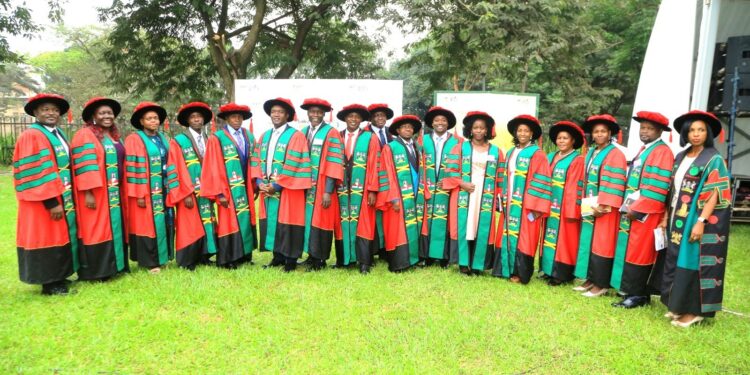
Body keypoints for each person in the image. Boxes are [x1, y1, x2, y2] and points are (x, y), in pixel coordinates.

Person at [657, 110, 731, 327]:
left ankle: (694, 311)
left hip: (696, 218)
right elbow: (674, 190)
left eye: (701, 130)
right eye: (691, 130)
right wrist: (666, 216)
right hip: (677, 216)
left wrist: (701, 222)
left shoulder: (713, 159)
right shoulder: (681, 156)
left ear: (708, 133)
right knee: (676, 258)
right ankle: (677, 306)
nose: (696, 134)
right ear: (685, 134)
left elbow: (715, 193)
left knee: (692, 262)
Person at [13, 93, 78, 295]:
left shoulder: (55, 133)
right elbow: (37, 171)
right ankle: (50, 283)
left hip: (60, 196)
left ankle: (60, 276)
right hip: (42, 200)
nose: (51, 113)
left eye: (55, 110)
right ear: (35, 112)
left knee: (59, 235)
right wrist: (51, 202)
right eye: (45, 109)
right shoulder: (32, 135)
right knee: (46, 237)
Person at [610, 111, 674, 308]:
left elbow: (658, 187)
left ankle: (637, 295)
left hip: (647, 213)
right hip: (636, 209)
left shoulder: (662, 152)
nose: (644, 131)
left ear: (660, 131)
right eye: (642, 127)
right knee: (633, 250)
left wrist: (636, 210)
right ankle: (632, 290)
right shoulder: (645, 150)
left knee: (641, 253)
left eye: (649, 128)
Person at [72, 96, 129, 280]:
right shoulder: (85, 134)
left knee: (115, 226)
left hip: (115, 191)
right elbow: (84, 164)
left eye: (110, 113)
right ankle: (98, 271)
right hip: (96, 192)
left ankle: (118, 265)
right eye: (102, 113)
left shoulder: (113, 136)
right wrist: (88, 193)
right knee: (96, 229)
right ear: (93, 116)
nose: (107, 116)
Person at [442, 111, 504, 275]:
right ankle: (463, 263)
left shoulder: (496, 151)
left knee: (480, 227)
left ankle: (478, 264)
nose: (478, 131)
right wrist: (462, 183)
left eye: (482, 128)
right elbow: (449, 171)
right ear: (470, 129)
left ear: (487, 130)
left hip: (486, 195)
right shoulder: (460, 147)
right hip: (464, 191)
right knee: (465, 226)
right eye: (475, 127)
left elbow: (500, 177)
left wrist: (498, 198)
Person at [573, 114, 628, 297]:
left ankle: (602, 283)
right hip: (591, 205)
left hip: (605, 208)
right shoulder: (591, 152)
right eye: (596, 131)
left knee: (603, 245)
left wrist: (604, 206)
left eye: (603, 131)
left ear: (610, 133)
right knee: (589, 242)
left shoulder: (616, 154)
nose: (599, 134)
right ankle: (591, 278)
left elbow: (615, 182)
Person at [493, 114, 551, 284]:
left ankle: (520, 272)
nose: (523, 133)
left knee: (525, 237)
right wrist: (502, 198)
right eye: (520, 130)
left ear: (532, 134)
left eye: (526, 131)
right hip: (510, 200)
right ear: (515, 133)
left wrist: (533, 206)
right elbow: (505, 176)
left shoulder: (538, 154)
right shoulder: (511, 152)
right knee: (506, 233)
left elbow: (542, 180)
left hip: (526, 205)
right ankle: (504, 269)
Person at [256, 98, 312, 272]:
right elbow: (256, 160)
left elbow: (294, 162)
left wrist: (278, 185)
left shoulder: (296, 136)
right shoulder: (265, 135)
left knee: (289, 224)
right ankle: (277, 256)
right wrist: (259, 181)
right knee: (273, 222)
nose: (276, 114)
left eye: (280, 112)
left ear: (287, 115)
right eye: (274, 111)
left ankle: (290, 260)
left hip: (288, 189)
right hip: (268, 188)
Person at [200, 103, 258, 269]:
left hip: (245, 187)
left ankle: (245, 255)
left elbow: (255, 160)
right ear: (226, 118)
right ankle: (228, 258)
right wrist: (218, 193)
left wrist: (255, 184)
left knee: (245, 219)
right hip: (227, 189)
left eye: (240, 116)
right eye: (233, 116)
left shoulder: (249, 136)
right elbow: (212, 167)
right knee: (228, 222)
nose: (237, 119)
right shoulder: (216, 138)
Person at [166, 102, 219, 270]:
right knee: (189, 224)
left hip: (206, 190)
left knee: (206, 221)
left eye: (199, 116)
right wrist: (186, 193)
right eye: (192, 117)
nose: (196, 119)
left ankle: (204, 255)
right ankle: (188, 260)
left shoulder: (209, 139)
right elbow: (176, 167)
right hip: (188, 191)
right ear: (187, 121)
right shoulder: (178, 141)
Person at [124, 101, 173, 273]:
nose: (153, 121)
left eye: (156, 118)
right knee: (147, 224)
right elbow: (132, 167)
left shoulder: (162, 138)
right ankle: (150, 262)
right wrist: (139, 194)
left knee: (164, 221)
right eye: (149, 118)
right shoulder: (134, 139)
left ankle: (163, 257)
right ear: (141, 121)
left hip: (163, 188)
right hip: (146, 191)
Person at [376, 115, 430, 272]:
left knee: (415, 226)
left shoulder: (418, 148)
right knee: (397, 229)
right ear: (398, 130)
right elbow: (386, 173)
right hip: (398, 195)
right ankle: (399, 263)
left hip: (415, 194)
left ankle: (414, 259)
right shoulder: (390, 147)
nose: (408, 129)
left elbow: (423, 171)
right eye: (404, 127)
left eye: (410, 127)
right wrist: (393, 197)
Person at [298, 98, 344, 270]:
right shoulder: (303, 132)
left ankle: (320, 259)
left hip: (323, 187)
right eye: (312, 112)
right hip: (306, 187)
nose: (315, 115)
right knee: (308, 221)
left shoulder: (331, 133)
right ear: (308, 113)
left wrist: (328, 190)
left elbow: (334, 162)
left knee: (322, 221)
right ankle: (311, 255)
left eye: (318, 112)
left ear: (324, 114)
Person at [334, 104, 380, 274]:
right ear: (345, 118)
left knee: (364, 224)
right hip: (341, 190)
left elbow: (375, 164)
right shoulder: (337, 137)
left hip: (362, 190)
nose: (353, 119)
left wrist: (373, 189)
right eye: (350, 116)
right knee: (342, 222)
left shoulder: (370, 137)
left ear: (361, 120)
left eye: (357, 117)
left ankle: (364, 262)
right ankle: (344, 259)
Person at [539, 121, 585, 285]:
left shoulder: (577, 160)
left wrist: (572, 210)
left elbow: (575, 186)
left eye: (565, 138)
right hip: (549, 205)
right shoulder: (550, 157)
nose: (561, 141)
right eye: (559, 138)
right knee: (548, 236)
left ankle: (561, 274)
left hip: (565, 208)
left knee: (565, 239)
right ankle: (547, 269)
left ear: (573, 140)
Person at [420, 106, 461, 268]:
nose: (440, 123)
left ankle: (444, 256)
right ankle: (428, 255)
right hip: (428, 187)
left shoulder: (457, 142)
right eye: (436, 120)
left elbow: (461, 167)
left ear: (448, 123)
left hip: (447, 189)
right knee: (428, 219)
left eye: (443, 120)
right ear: (431, 123)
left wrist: (450, 182)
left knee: (445, 220)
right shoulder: (423, 140)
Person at [366, 103, 395, 259]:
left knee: (386, 213)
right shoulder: (365, 134)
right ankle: (373, 249)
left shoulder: (392, 134)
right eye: (376, 116)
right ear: (370, 118)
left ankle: (385, 249)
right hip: (370, 179)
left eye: (382, 115)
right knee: (372, 215)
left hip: (388, 181)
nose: (380, 118)